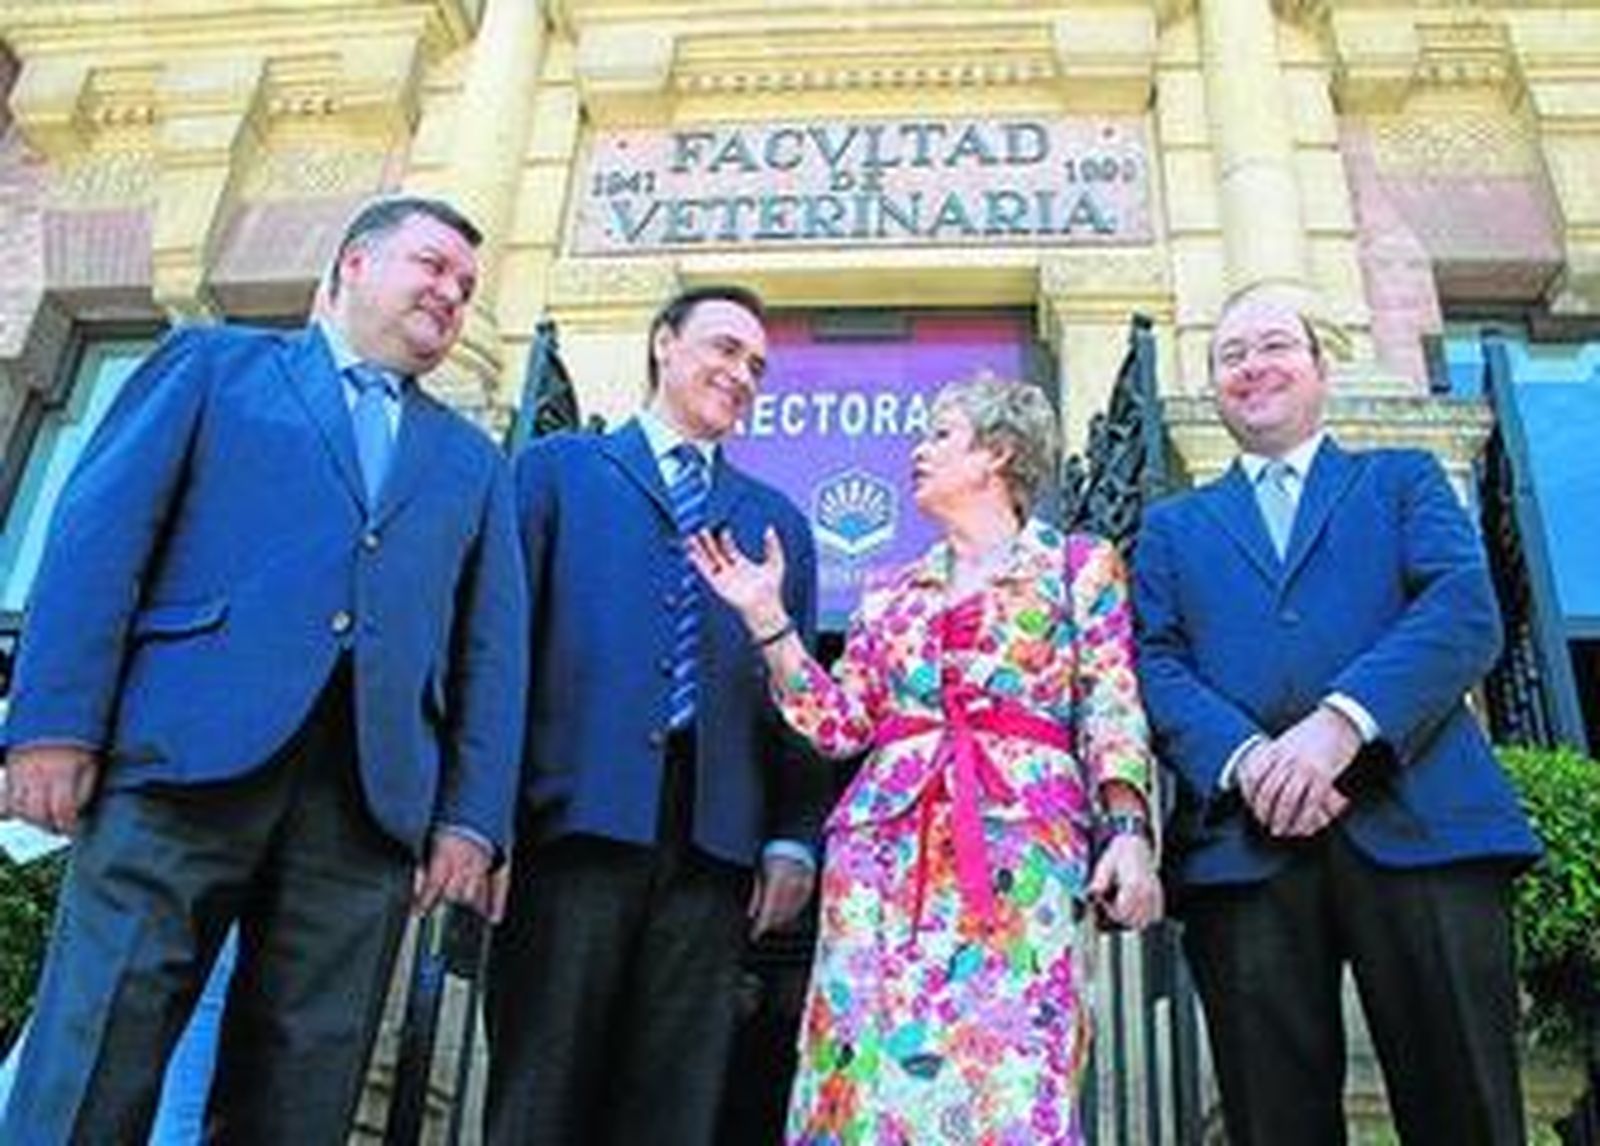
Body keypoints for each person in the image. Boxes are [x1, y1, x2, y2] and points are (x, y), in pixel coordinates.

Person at [0, 195, 528, 1143]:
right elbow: (97, 541)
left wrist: (472, 818)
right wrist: (53, 723)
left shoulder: (473, 461)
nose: (450, 293)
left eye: (466, 286)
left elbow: (491, 652)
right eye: (432, 265)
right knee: (98, 1048)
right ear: (354, 265)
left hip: (366, 806)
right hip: (178, 766)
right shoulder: (214, 366)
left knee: (306, 1084)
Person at [690, 375, 1162, 1144]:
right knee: (865, 1073)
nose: (917, 450)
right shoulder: (890, 594)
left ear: (997, 453)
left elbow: (1111, 703)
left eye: (940, 434)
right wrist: (768, 620)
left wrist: (1129, 832)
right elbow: (838, 727)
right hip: (882, 861)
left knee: (1010, 1069)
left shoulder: (1079, 566)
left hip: (1020, 852)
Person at [1133, 284, 1542, 1146]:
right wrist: (1250, 761)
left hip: (1424, 826)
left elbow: (1465, 610)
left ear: (1321, 367)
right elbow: (1155, 663)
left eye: (1274, 345)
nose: (1252, 367)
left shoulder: (1401, 479)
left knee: (1468, 1110)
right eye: (1230, 355)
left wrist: (1340, 727)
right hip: (1246, 854)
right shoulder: (1172, 527)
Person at [484, 284, 826, 1145]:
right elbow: (499, 654)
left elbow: (801, 700)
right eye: (722, 349)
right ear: (663, 345)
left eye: (755, 365)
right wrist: (484, 822)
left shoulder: (776, 522)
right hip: (569, 830)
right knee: (541, 1094)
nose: (741, 374)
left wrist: (793, 836)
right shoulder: (556, 473)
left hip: (713, 849)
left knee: (673, 1105)